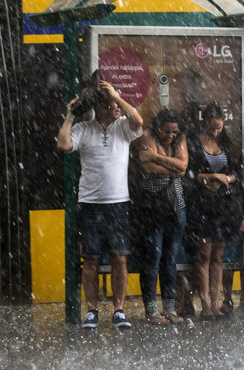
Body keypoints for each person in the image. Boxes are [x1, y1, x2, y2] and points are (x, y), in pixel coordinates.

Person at [56, 80, 144, 329]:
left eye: (117, 104)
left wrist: (117, 95)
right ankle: (92, 310)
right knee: (91, 259)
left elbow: (138, 121)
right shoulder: (84, 129)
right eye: (113, 104)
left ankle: (118, 310)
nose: (118, 108)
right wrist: (70, 114)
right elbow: (63, 144)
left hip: (118, 203)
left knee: (120, 259)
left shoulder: (123, 128)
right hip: (90, 204)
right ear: (101, 108)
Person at [187, 102, 241, 319]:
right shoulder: (194, 142)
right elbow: (190, 173)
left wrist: (225, 178)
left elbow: (236, 172)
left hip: (223, 203)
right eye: (211, 127)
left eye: (218, 127)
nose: (215, 131)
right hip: (202, 202)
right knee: (204, 254)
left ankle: (216, 303)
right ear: (204, 123)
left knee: (218, 254)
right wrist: (210, 177)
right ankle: (205, 304)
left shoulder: (225, 142)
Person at [134, 109, 188, 325]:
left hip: (176, 205)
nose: (171, 136)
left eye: (174, 132)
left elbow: (183, 167)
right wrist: (173, 166)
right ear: (158, 128)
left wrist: (157, 156)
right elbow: (149, 169)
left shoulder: (179, 137)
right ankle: (150, 310)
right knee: (153, 258)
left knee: (170, 259)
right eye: (167, 132)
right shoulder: (147, 135)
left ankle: (169, 308)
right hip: (153, 206)